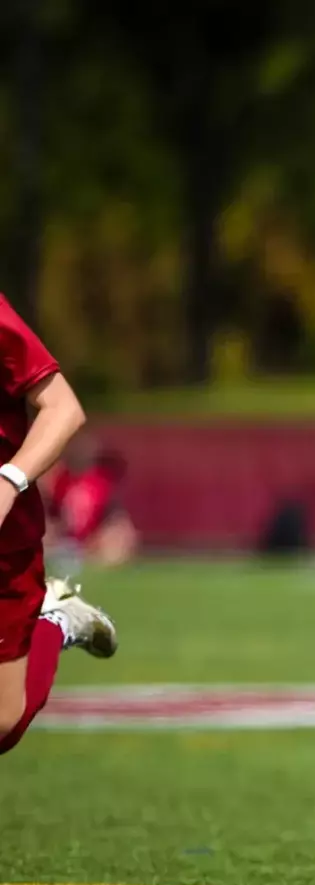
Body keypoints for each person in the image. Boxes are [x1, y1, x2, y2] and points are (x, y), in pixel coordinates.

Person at [0, 295, 120, 758]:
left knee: (4, 724)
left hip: (6, 543)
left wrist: (9, 481)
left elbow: (63, 408)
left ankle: (55, 618)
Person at [45, 432, 139, 574]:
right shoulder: (59, 479)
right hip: (63, 540)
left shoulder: (101, 482)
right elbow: (51, 513)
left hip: (93, 540)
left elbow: (114, 516)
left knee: (118, 540)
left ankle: (89, 563)